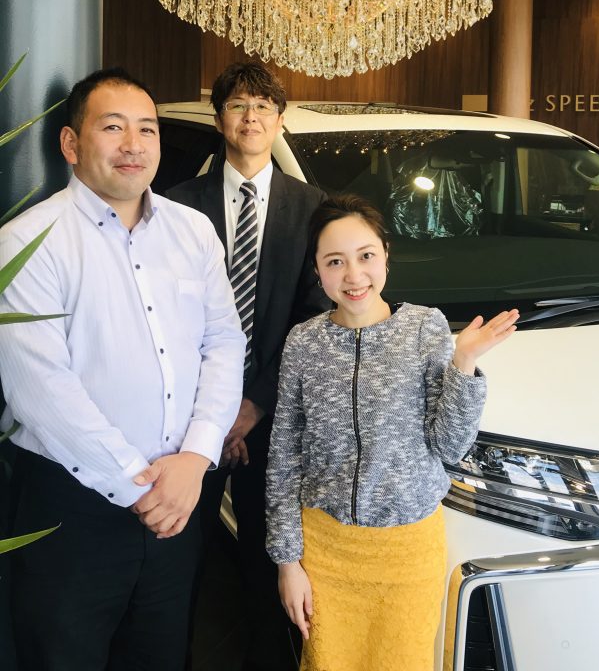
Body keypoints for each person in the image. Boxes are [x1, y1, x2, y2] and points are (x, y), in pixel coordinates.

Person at [0, 68, 246, 671]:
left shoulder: (193, 231)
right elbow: (41, 390)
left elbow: (223, 342)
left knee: (161, 655)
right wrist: (142, 486)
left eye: (147, 129)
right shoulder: (29, 240)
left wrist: (196, 458)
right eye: (113, 128)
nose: (133, 145)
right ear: (70, 143)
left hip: (180, 499)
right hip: (72, 506)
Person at [265, 194, 519, 671]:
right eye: (335, 261)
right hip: (325, 550)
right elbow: (283, 457)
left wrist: (464, 363)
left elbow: (449, 447)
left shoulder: (425, 327)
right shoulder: (304, 342)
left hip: (407, 552)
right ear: (316, 270)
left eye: (365, 256)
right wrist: (287, 562)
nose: (353, 275)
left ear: (385, 254)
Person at [167, 61, 326, 671]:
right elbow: (168, 319)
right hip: (188, 420)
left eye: (263, 106)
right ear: (219, 120)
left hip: (275, 418)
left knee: (270, 560)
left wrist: (251, 406)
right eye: (238, 105)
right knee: (180, 557)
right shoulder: (178, 205)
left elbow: (312, 320)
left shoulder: (311, 208)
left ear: (279, 122)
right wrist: (215, 410)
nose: (251, 116)